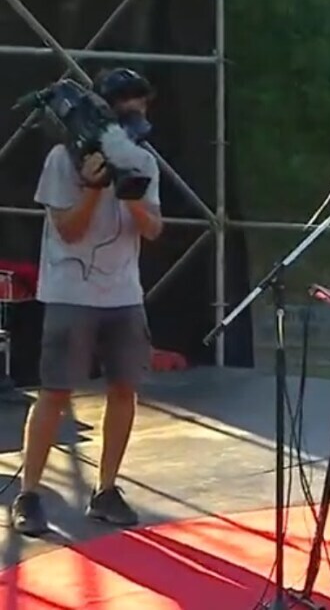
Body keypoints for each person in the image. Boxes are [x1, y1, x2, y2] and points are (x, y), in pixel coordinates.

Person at [10, 68, 163, 536]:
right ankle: (29, 493)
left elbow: (154, 228)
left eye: (141, 108)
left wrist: (131, 192)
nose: (136, 118)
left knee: (124, 389)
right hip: (70, 292)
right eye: (127, 108)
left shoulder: (143, 160)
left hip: (124, 293)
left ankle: (106, 488)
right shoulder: (62, 160)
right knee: (56, 391)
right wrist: (95, 189)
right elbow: (69, 230)